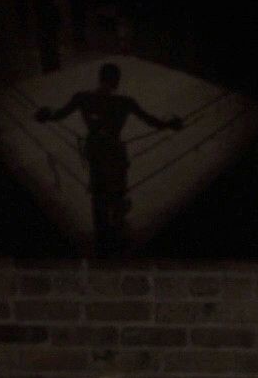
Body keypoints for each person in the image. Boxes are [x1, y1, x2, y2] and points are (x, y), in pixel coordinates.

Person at [35, 63, 184, 254]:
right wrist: (171, 123)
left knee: (98, 188)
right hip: (114, 151)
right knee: (118, 187)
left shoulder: (82, 97)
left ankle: (102, 231)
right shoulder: (125, 102)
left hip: (95, 150)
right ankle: (118, 218)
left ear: (100, 78)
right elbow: (153, 122)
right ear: (116, 81)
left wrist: (46, 114)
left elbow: (58, 114)